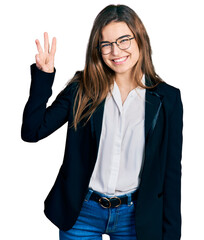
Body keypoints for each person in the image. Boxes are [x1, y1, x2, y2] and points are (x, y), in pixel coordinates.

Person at [21, 4, 183, 240]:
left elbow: (171, 173)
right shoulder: (82, 89)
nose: (115, 51)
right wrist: (44, 77)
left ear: (140, 39)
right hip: (81, 213)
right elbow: (32, 131)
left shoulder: (167, 99)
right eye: (106, 44)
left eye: (123, 40)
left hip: (136, 216)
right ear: (97, 49)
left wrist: (171, 235)